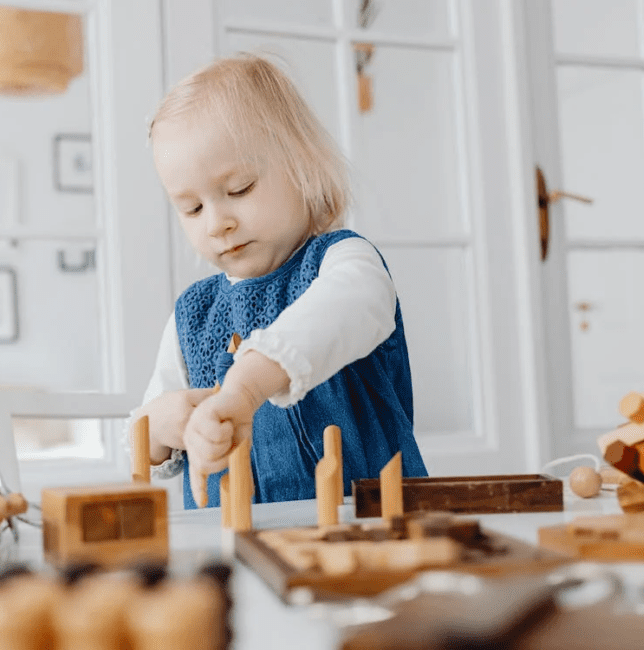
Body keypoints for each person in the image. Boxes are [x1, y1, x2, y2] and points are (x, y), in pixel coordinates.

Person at [133, 53, 427, 509]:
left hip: (370, 528)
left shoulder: (344, 262)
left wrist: (246, 386)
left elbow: (342, 313)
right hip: (234, 543)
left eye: (239, 190)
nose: (217, 223)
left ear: (302, 167)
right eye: (192, 208)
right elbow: (138, 445)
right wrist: (163, 424)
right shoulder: (192, 315)